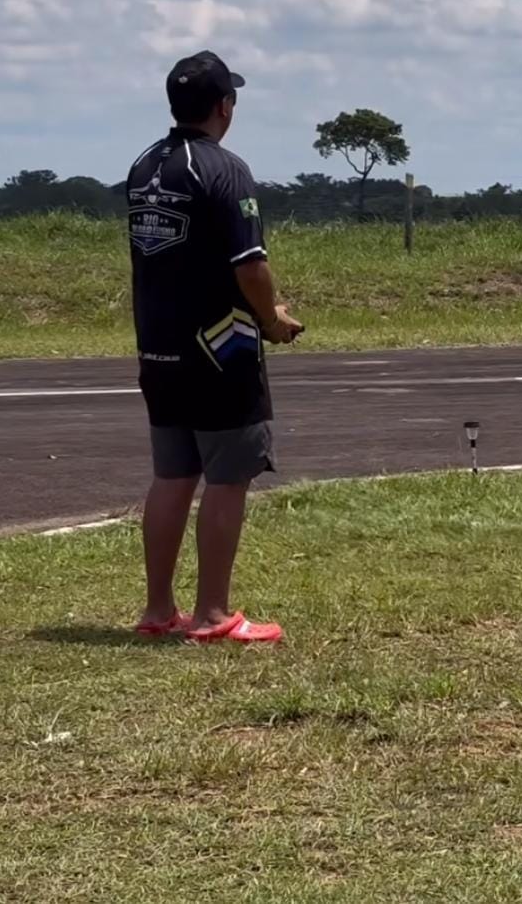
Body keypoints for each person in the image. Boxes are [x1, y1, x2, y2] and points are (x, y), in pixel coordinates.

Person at [126, 51, 302, 644]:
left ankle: (157, 610)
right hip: (219, 352)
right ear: (224, 105)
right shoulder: (225, 170)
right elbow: (251, 266)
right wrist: (272, 319)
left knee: (172, 475)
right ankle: (213, 614)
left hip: (158, 350)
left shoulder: (145, 166)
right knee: (227, 479)